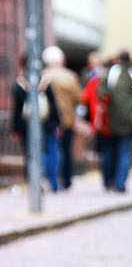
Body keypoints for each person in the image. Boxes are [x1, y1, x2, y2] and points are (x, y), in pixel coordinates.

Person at [12, 53, 61, 191]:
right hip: (47, 123)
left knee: (30, 154)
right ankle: (52, 182)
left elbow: (16, 110)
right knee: (50, 152)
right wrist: (57, 123)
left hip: (27, 125)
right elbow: (53, 105)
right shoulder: (45, 82)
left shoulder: (20, 84)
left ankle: (34, 182)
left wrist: (15, 129)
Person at [40, 45, 82, 189]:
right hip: (67, 119)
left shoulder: (42, 76)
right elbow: (79, 97)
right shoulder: (69, 76)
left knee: (49, 150)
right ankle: (66, 180)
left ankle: (52, 179)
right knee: (65, 150)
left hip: (48, 120)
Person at [104, 52, 132, 192]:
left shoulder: (111, 74)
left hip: (110, 120)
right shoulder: (130, 75)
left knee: (110, 152)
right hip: (126, 121)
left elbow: (102, 93)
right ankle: (120, 183)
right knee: (124, 152)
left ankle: (109, 181)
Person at [83, 52, 114, 189]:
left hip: (99, 120)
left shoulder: (92, 80)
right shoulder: (111, 77)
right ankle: (112, 178)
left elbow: (85, 99)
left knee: (105, 150)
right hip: (111, 118)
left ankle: (107, 179)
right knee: (112, 149)